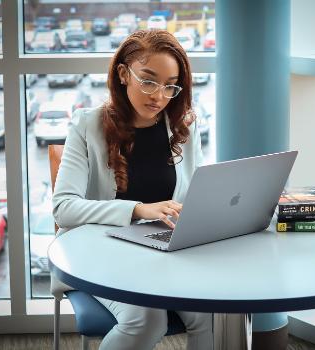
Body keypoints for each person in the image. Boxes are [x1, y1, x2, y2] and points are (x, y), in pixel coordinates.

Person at [52, 29, 212, 350]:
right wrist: (138, 209)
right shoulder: (88, 125)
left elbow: (196, 194)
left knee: (212, 313)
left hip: (162, 250)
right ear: (124, 74)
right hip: (100, 250)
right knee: (147, 319)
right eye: (149, 81)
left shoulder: (182, 126)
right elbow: (63, 207)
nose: (159, 95)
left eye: (170, 85)